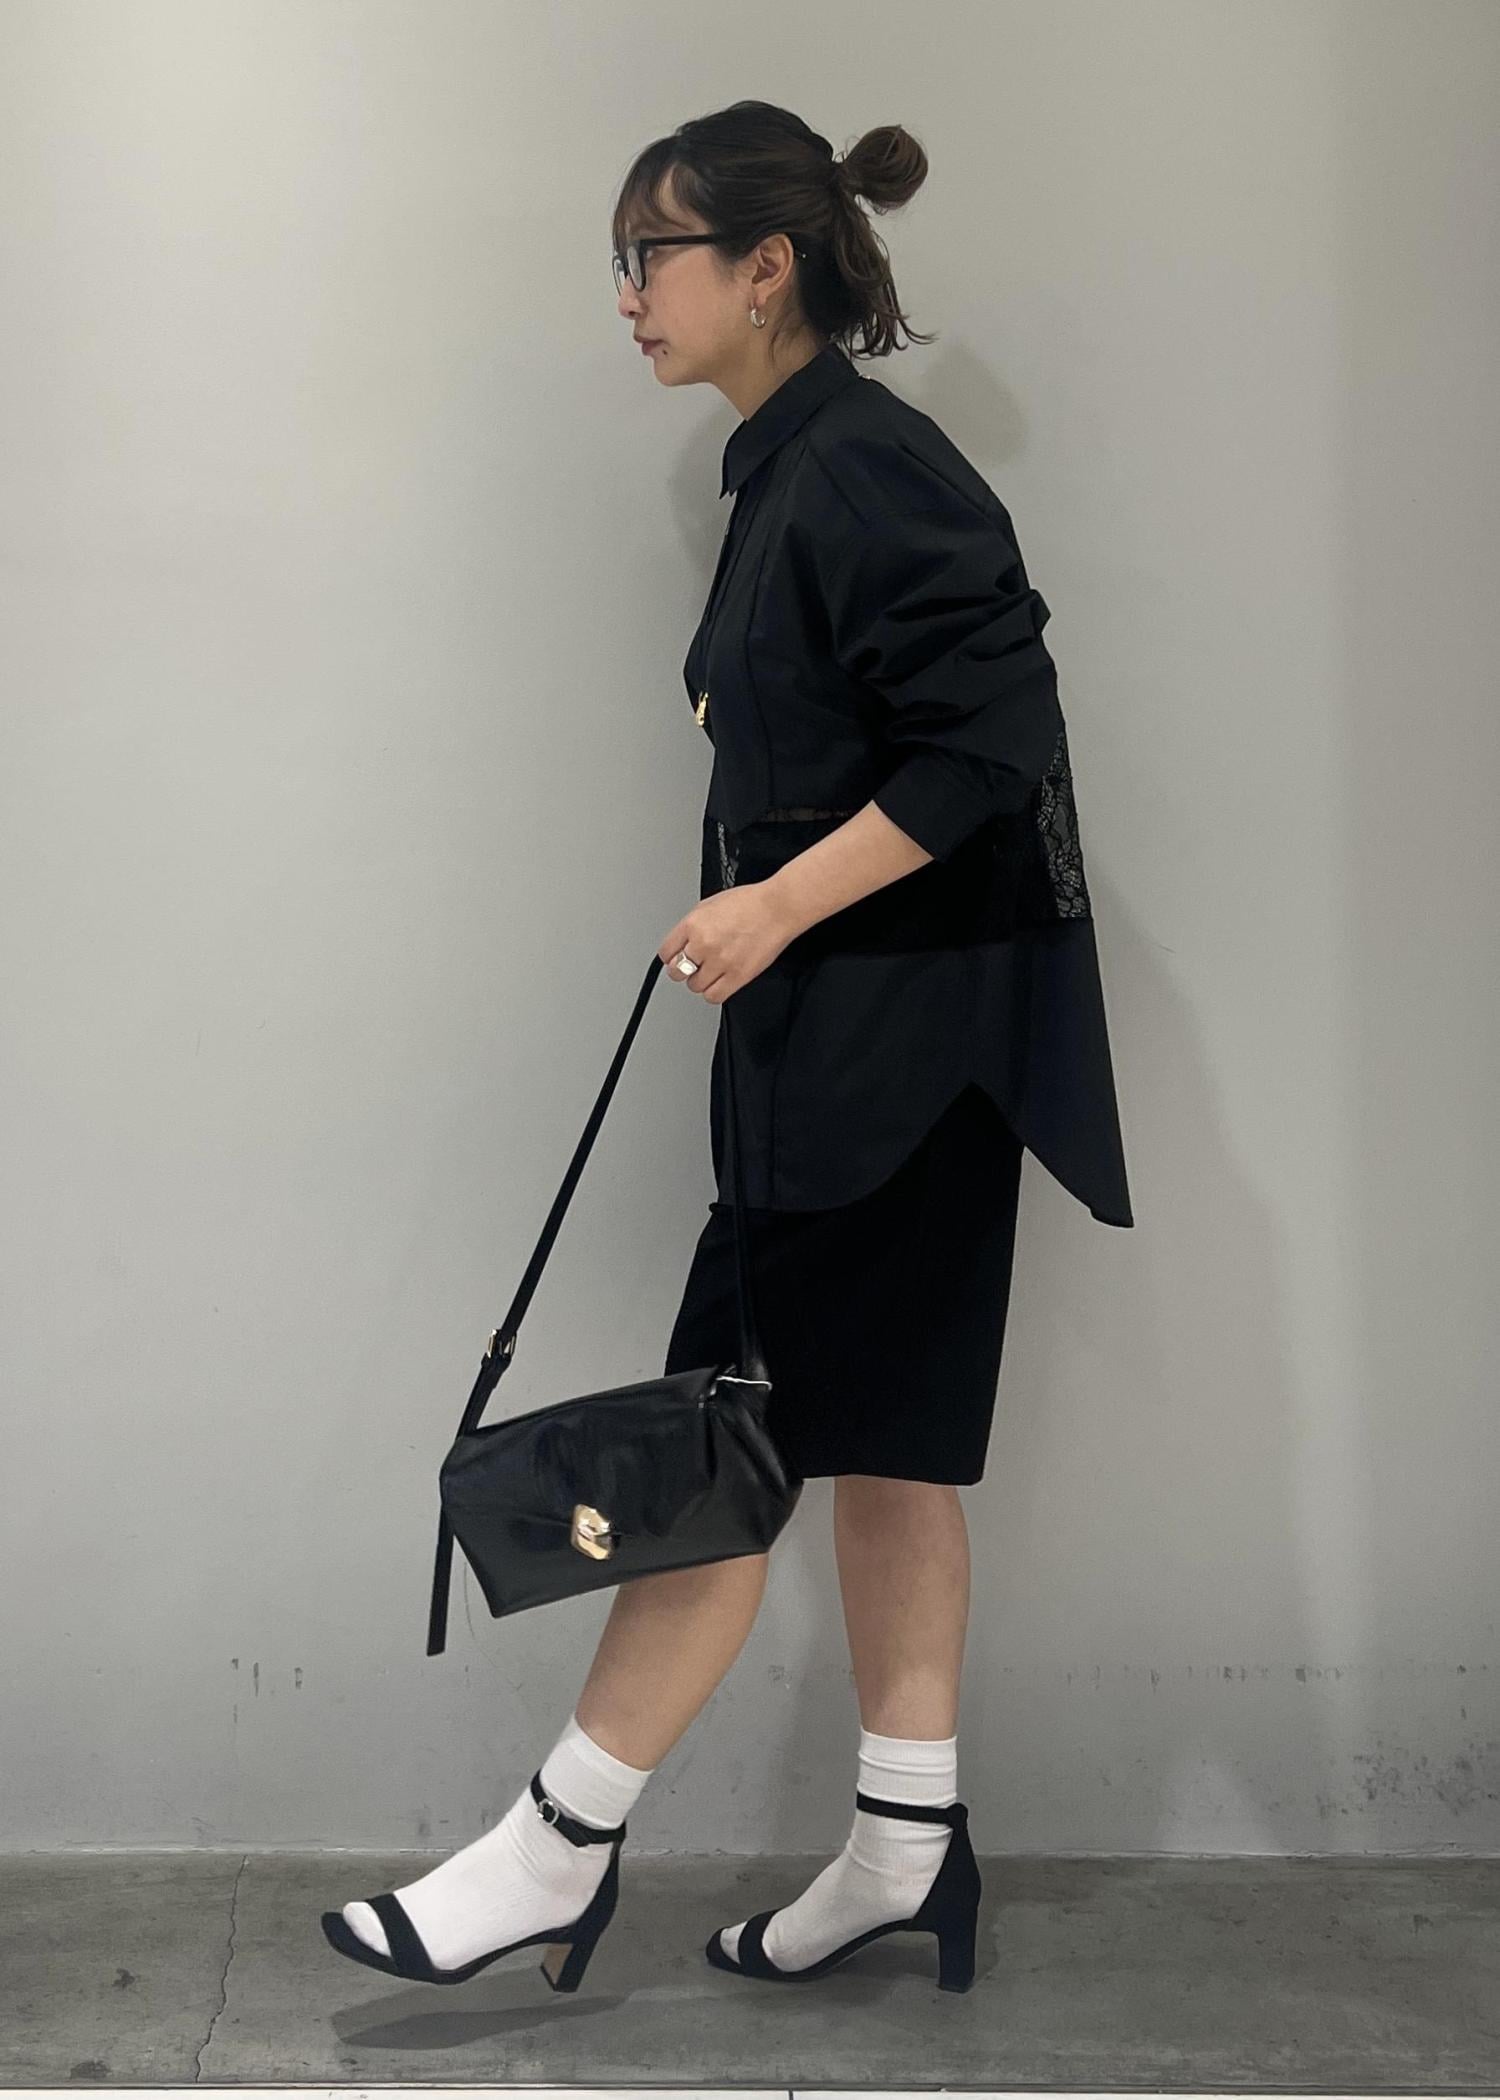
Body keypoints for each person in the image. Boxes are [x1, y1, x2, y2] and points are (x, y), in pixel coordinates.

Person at [323, 98, 1133, 1999]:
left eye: (653, 255)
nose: (627, 295)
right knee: (890, 1455)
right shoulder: (787, 472)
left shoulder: (869, 467)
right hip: (882, 1058)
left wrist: (773, 905)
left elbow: (992, 736)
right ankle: (906, 1849)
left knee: (726, 1444)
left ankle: (556, 1850)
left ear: (767, 267)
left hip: (891, 1069)